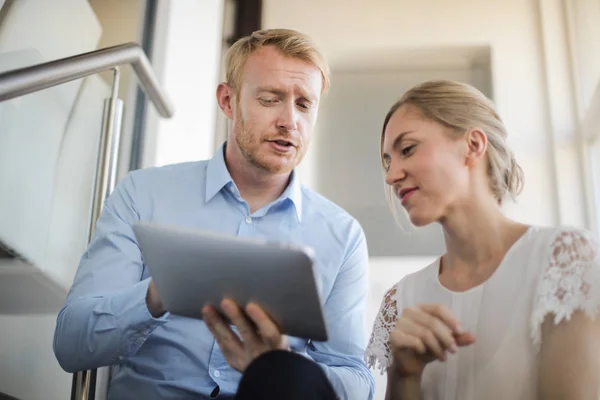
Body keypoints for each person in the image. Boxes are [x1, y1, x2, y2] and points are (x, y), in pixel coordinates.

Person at [53, 28, 375, 400]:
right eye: (271, 99)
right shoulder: (143, 195)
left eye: (304, 104)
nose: (290, 121)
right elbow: (70, 344)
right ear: (228, 100)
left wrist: (282, 367)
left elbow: (358, 383)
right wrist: (158, 294)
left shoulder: (343, 235)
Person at [365, 80, 600, 399]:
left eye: (407, 149)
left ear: (474, 145)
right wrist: (404, 374)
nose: (391, 176)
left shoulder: (563, 261)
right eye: (388, 161)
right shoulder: (399, 301)